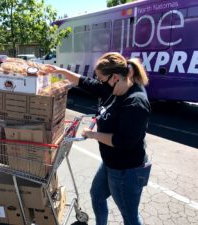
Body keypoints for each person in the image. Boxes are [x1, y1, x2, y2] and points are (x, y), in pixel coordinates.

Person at [48, 52, 151, 225]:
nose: (99, 83)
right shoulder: (112, 88)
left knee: (130, 216)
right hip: (110, 163)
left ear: (115, 77)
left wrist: (91, 134)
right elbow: (84, 82)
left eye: (102, 79)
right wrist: (59, 71)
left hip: (127, 169)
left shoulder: (135, 102)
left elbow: (122, 142)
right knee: (97, 195)